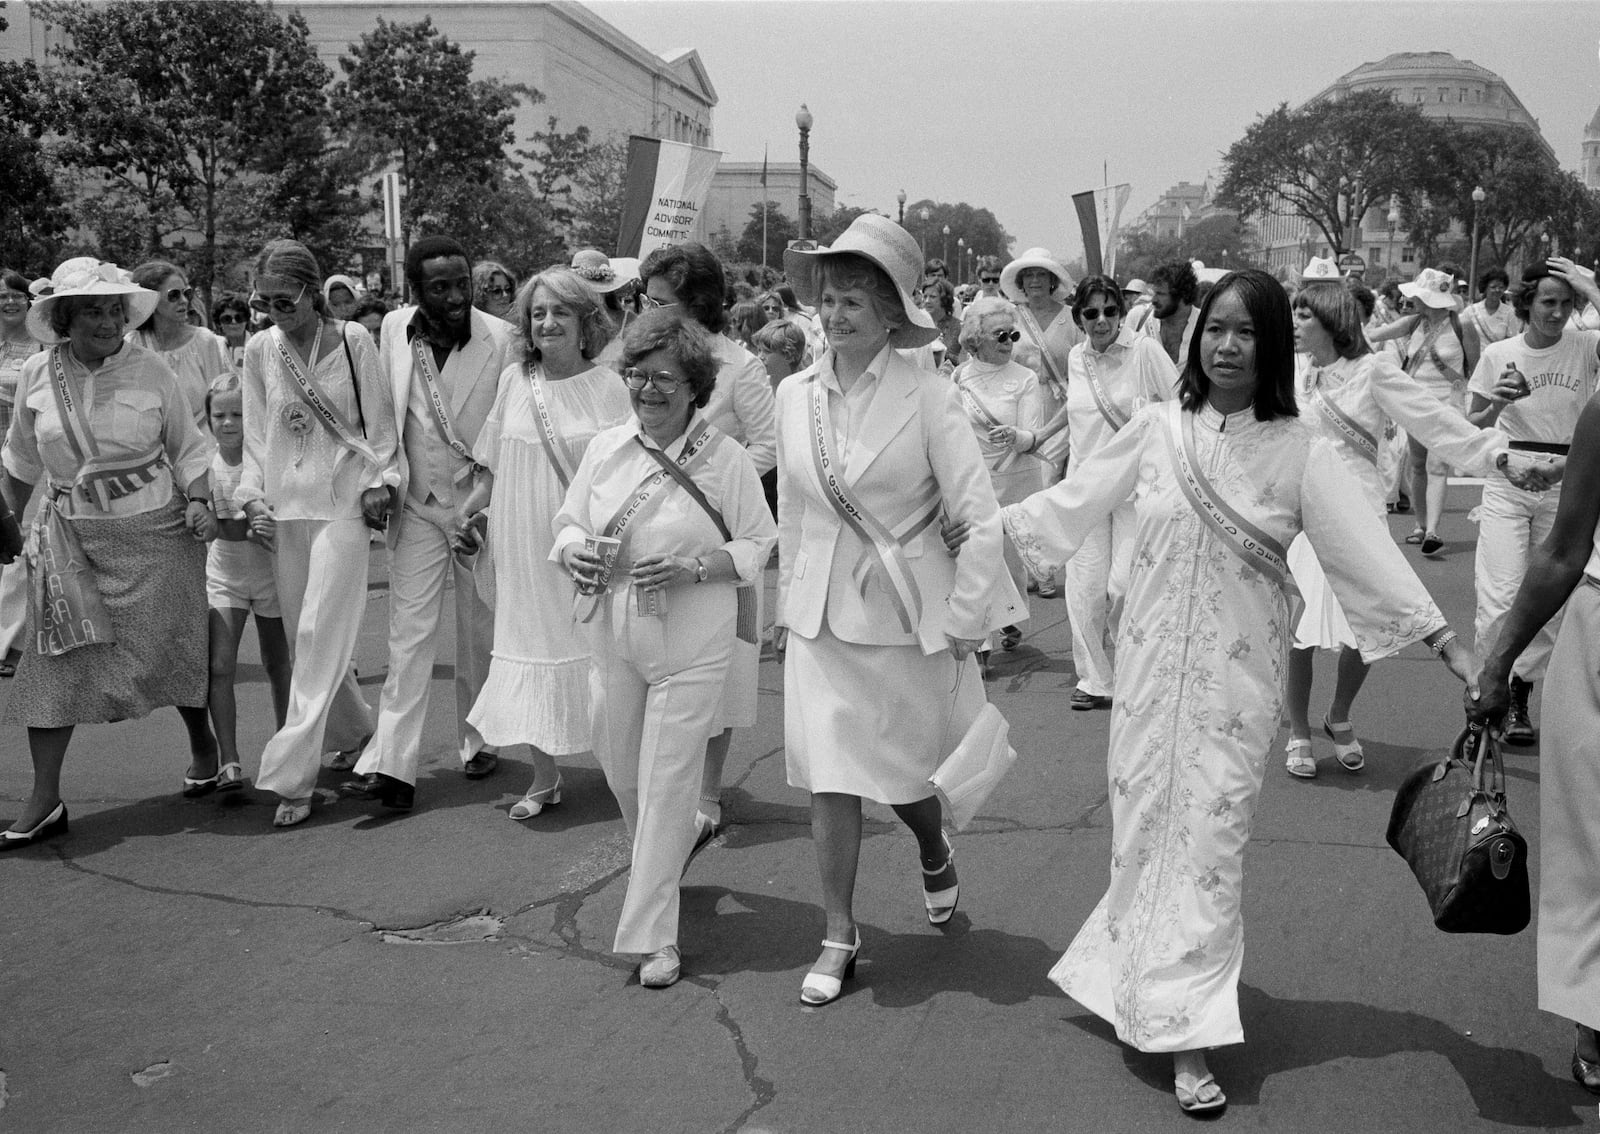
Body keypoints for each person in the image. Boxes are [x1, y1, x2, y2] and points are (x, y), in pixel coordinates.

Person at [1001, 269, 1473, 1114]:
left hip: (1236, 689)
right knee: (1143, 835)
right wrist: (969, 533)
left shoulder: (1302, 451)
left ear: (1272, 347)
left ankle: (1190, 1030)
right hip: (1145, 679)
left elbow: (1368, 554)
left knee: (1208, 852)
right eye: (1215, 329)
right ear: (1195, 339)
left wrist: (1451, 646)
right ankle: (1139, 984)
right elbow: (1065, 509)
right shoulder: (1154, 430)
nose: (1226, 345)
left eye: (1247, 332)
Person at [775, 214, 1023, 1007]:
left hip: (905, 608)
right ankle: (839, 931)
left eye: (858, 299)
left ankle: (932, 845)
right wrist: (786, 605)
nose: (838, 312)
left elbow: (980, 516)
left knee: (905, 774)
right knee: (830, 773)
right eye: (831, 296)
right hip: (820, 618)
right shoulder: (793, 394)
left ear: (892, 315)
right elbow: (797, 513)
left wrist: (966, 618)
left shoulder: (930, 393)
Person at [553, 309, 774, 988]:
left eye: (664, 379)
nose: (649, 390)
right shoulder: (605, 447)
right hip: (613, 627)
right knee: (621, 769)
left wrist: (697, 568)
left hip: (693, 632)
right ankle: (663, 865)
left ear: (695, 385)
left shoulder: (725, 457)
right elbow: (566, 521)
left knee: (668, 778)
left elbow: (758, 543)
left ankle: (656, 937)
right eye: (638, 376)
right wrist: (574, 554)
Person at [0, 257, 217, 849]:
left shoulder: (152, 370)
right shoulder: (39, 375)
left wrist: (200, 499)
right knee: (53, 664)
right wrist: (5, 520)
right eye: (91, 309)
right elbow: (20, 460)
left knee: (173, 650)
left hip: (156, 535)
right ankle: (45, 800)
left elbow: (190, 448)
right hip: (71, 542)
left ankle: (206, 747)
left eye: (113, 309)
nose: (105, 321)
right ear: (64, 318)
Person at [1283, 283, 1509, 779]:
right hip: (1305, 514)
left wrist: (1494, 454)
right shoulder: (1293, 372)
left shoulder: (1374, 371)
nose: (1294, 324)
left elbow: (1434, 421)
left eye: (1303, 316)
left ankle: (1338, 716)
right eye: (1293, 315)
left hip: (1361, 511)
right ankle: (1298, 729)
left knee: (1365, 628)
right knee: (1298, 630)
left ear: (1331, 320)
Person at [451, 267, 630, 820]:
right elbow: (491, 466)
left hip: (585, 542)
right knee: (529, 645)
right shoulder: (513, 383)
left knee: (602, 652)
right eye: (537, 313)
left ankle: (626, 770)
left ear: (585, 324)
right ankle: (545, 775)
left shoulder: (610, 386)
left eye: (560, 312)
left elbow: (633, 472)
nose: (547, 322)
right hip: (522, 540)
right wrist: (470, 511)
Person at [1467, 367, 1600, 1098]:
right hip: (1599, 629)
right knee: (1589, 837)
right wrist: (1498, 662)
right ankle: (1595, 1016)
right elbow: (1562, 550)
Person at [346, 235, 514, 812]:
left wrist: (489, 505)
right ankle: (394, 765)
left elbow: (508, 433)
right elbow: (383, 417)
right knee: (409, 635)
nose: (454, 297)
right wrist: (380, 480)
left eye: (461, 284)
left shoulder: (503, 339)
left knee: (479, 629)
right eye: (438, 287)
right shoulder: (393, 330)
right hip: (416, 502)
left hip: (479, 505)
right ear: (414, 291)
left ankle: (479, 736)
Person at [238, 239, 399, 828]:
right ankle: (360, 735)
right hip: (285, 509)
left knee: (316, 631)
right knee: (309, 639)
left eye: (286, 299)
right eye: (265, 300)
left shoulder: (354, 340)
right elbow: (257, 432)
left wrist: (383, 478)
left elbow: (379, 423)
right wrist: (251, 495)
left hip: (343, 506)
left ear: (312, 293)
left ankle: (293, 774)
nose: (275, 310)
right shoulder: (260, 348)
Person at [639, 242, 776, 843]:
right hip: (649, 535)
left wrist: (717, 479)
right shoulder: (642, 356)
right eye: (647, 299)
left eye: (661, 301)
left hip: (719, 537)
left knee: (722, 674)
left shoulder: (739, 366)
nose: (650, 309)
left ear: (698, 303)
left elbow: (770, 443)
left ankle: (707, 791)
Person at [1465, 258, 1600, 746]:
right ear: (1527, 303)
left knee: (1547, 599)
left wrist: (1590, 284)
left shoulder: (1586, 347)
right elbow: (1472, 424)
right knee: (1500, 593)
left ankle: (1519, 692)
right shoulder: (1500, 352)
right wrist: (1497, 403)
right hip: (1509, 475)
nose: (1558, 312)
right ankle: (1485, 688)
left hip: (1569, 477)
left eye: (1568, 303)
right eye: (1548, 302)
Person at [1057, 274, 1179, 711]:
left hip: (1133, 489)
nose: (1102, 320)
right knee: (1085, 590)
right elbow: (1072, 420)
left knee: (1125, 585)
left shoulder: (1144, 351)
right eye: (1091, 313)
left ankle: (1132, 663)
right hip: (1086, 488)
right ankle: (1094, 679)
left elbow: (1179, 400)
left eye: (1110, 310)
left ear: (1122, 313)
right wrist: (1035, 443)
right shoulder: (1075, 358)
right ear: (1079, 318)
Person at [203, 374, 290, 792]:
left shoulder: (268, 459)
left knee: (279, 665)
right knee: (220, 666)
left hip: (271, 576)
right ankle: (229, 760)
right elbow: (218, 529)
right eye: (219, 414)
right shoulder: (204, 465)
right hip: (225, 578)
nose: (228, 422)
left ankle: (286, 748)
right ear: (208, 419)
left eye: (238, 413)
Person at [951, 296, 1044, 659]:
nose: (1008, 341)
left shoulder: (1026, 379)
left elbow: (1031, 434)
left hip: (1016, 478)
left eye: (1012, 334)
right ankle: (982, 640)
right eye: (999, 335)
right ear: (976, 338)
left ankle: (1011, 614)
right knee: (978, 555)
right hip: (976, 481)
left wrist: (1015, 436)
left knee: (1009, 558)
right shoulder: (959, 377)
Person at [1369, 267, 1482, 556]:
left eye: (1418, 296)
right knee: (1417, 465)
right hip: (1416, 402)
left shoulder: (1462, 325)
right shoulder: (1413, 323)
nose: (1413, 301)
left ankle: (1433, 530)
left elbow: (1476, 367)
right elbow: (1374, 335)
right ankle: (1420, 525)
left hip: (1447, 404)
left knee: (1437, 466)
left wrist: (1469, 402)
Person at [128, 260, 232, 427]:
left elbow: (219, 403)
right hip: (150, 446)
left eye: (187, 293)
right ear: (151, 300)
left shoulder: (205, 341)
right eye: (174, 295)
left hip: (202, 445)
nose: (183, 300)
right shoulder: (132, 344)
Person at [0, 269, 40, 676]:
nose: (10, 302)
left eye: (17, 295)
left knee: (14, 545)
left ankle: (9, 644)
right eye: (2, 296)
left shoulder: (42, 346)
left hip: (24, 457)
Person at [1144, 259, 1201, 366]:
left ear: (1181, 295)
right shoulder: (1142, 321)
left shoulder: (1204, 325)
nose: (1153, 300)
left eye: (1160, 294)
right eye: (1154, 293)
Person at [1465, 267, 1519, 345]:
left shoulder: (1509, 312)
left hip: (1498, 356)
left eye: (1501, 287)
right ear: (1485, 288)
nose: (1497, 290)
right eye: (1493, 287)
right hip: (1475, 356)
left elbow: (1512, 340)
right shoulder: (1470, 311)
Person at [918, 277, 963, 365]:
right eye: (925, 296)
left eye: (932, 297)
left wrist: (941, 351)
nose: (927, 301)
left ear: (944, 299)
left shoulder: (958, 327)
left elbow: (962, 361)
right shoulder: (917, 324)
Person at [211, 292, 251, 374]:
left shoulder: (260, 346)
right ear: (219, 323)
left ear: (246, 320)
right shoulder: (214, 348)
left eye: (239, 318)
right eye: (227, 319)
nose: (234, 322)